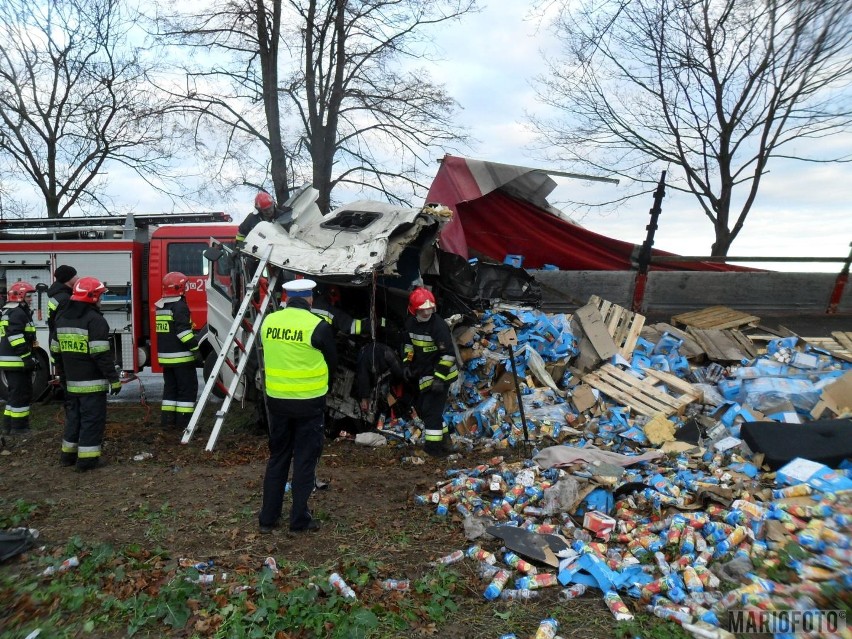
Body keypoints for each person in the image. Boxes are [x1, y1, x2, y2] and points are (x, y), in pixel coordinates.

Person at [258, 278, 337, 533]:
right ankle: (298, 521)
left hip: (277, 403)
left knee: (278, 458)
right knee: (304, 460)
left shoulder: (268, 322)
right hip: (309, 405)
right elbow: (332, 363)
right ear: (310, 299)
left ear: (286, 298)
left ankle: (268, 520)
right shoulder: (318, 326)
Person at [55, 277, 122, 471]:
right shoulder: (95, 320)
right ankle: (87, 461)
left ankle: (67, 456)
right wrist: (114, 379)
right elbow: (101, 355)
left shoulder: (62, 318)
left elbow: (56, 352)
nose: (102, 299)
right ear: (93, 297)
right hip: (92, 384)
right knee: (92, 420)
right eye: (101, 295)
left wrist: (63, 377)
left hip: (71, 383)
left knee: (73, 419)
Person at [403, 287, 458, 456]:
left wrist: (439, 379)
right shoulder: (410, 324)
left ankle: (433, 451)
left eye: (429, 309)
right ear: (414, 310)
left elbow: (448, 355)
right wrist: (406, 363)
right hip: (425, 372)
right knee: (425, 410)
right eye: (423, 310)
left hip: (442, 373)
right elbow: (408, 346)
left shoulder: (438, 326)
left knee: (431, 413)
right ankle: (446, 441)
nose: (427, 313)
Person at [155, 272, 201, 431]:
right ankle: (185, 424)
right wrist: (196, 349)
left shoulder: (161, 306)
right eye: (185, 285)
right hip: (182, 359)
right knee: (186, 391)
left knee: (170, 390)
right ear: (180, 287)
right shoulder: (179, 306)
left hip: (167, 359)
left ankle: (168, 423)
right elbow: (183, 333)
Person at [0, 281, 38, 435]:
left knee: (14, 395)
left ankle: (8, 426)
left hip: (11, 361)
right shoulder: (18, 313)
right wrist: (26, 357)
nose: (31, 299)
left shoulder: (11, 312)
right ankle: (19, 428)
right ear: (20, 297)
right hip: (16, 361)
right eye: (28, 296)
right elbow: (16, 337)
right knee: (21, 394)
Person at [355, 341, 406, 427]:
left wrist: (364, 399)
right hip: (389, 359)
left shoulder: (363, 359)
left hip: (386, 368)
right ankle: (397, 415)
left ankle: (397, 415)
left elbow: (363, 379)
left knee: (386, 392)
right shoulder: (380, 348)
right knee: (389, 389)